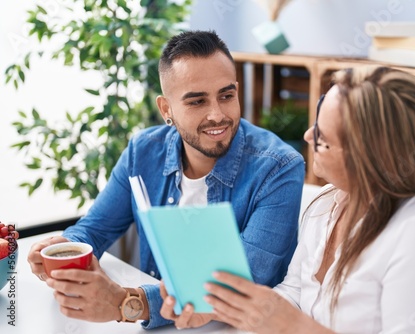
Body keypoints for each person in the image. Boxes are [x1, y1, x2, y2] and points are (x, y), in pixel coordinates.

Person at [160, 66, 415, 333]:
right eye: (316, 122)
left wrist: (293, 327)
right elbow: (296, 293)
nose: (307, 136)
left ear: (371, 159)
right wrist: (225, 310)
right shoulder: (327, 204)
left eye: (323, 139)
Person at [27, 30, 305, 329]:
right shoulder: (142, 152)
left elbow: (239, 287)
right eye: (197, 102)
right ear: (166, 109)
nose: (217, 115)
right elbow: (94, 230)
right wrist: (62, 249)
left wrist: (127, 303)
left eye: (226, 96)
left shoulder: (280, 168)